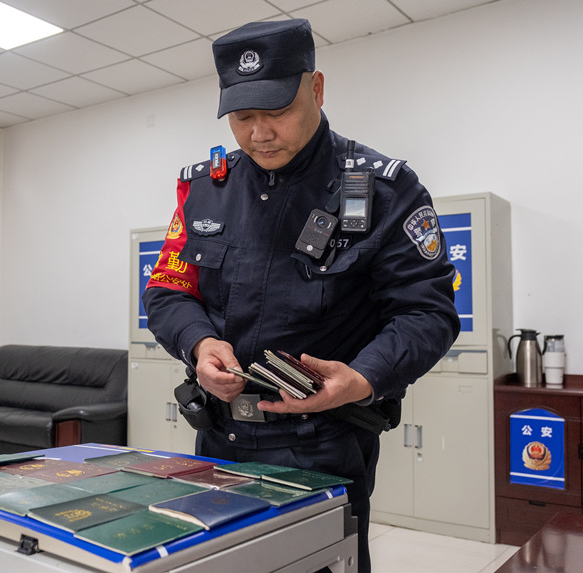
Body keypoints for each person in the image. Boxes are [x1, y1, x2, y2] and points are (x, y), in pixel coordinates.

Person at [142, 18, 459, 573]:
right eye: (243, 117)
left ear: (315, 89)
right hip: (221, 438)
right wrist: (198, 344)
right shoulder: (204, 191)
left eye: (277, 111)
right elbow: (168, 291)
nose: (259, 133)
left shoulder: (384, 189)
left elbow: (427, 312)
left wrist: (362, 378)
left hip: (324, 444)